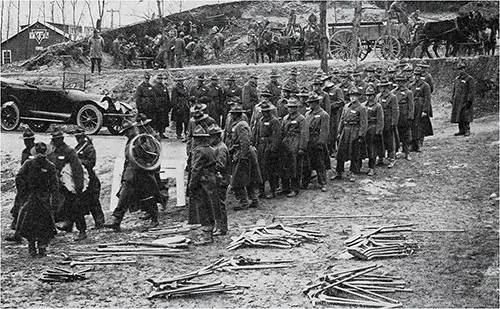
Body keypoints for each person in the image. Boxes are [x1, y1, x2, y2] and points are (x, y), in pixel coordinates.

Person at [104, 120, 161, 231]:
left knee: (148, 197)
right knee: (124, 197)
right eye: (125, 132)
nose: (126, 134)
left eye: (127, 131)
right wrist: (124, 176)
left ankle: (155, 219)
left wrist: (145, 165)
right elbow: (127, 160)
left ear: (132, 129)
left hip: (143, 174)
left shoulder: (141, 140)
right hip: (131, 175)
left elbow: (151, 155)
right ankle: (116, 221)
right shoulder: (130, 141)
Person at [15, 142, 59, 257]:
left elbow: (55, 185)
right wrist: (23, 192)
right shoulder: (28, 164)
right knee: (29, 223)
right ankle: (31, 246)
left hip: (44, 199)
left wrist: (54, 199)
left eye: (42, 154)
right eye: (38, 153)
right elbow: (19, 177)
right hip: (32, 198)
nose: (40, 156)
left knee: (45, 224)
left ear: (46, 154)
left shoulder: (50, 166)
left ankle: (42, 246)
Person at [48, 129, 87, 241]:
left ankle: (82, 231)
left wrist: (78, 186)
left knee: (75, 207)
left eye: (55, 140)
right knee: (55, 207)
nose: (53, 142)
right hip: (57, 184)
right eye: (53, 140)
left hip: (69, 185)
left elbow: (77, 169)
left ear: (61, 139)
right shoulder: (54, 151)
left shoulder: (69, 151)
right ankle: (58, 228)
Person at [5, 129, 37, 242]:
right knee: (19, 206)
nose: (26, 142)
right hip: (24, 185)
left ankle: (20, 234)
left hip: (35, 186)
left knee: (35, 210)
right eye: (25, 140)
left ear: (33, 140)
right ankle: (17, 230)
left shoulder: (37, 151)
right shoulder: (24, 152)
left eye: (29, 140)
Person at [227, 105, 262, 210]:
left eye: (233, 114)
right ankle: (253, 199)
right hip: (243, 153)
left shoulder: (241, 125)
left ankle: (244, 202)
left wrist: (243, 156)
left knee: (237, 181)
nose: (231, 116)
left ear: (235, 115)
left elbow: (244, 141)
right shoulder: (239, 124)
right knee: (249, 179)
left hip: (244, 155)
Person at [188, 125, 217, 245]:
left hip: (202, 182)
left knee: (203, 208)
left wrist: (191, 184)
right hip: (211, 180)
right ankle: (209, 234)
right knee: (210, 207)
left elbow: (196, 169)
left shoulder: (199, 151)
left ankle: (206, 237)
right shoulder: (210, 149)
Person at [334, 87, 368, 182]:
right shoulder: (346, 106)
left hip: (355, 131)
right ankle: (339, 172)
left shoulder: (361, 108)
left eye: (355, 96)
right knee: (340, 152)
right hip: (345, 130)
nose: (352, 98)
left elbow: (363, 123)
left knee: (354, 152)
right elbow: (342, 119)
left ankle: (353, 172)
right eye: (351, 96)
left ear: (358, 97)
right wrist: (339, 131)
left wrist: (361, 135)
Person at [74, 127, 105, 230]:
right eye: (77, 137)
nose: (78, 139)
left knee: (94, 201)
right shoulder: (77, 148)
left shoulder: (88, 148)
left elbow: (91, 163)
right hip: (82, 178)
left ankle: (100, 222)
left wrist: (80, 161)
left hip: (91, 178)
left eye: (79, 137)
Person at [253, 101, 282, 199]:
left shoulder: (274, 121)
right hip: (261, 147)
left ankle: (272, 191)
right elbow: (257, 133)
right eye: (263, 111)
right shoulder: (261, 120)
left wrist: (273, 149)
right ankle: (261, 191)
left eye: (266, 111)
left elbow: (277, 136)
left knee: (271, 171)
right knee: (261, 170)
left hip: (269, 147)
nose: (264, 113)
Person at [280, 98, 307, 197]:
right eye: (289, 107)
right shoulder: (285, 118)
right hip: (285, 144)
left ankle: (295, 189)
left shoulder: (301, 119)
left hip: (295, 143)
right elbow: (282, 131)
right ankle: (285, 188)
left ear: (296, 108)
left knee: (295, 167)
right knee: (284, 166)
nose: (291, 109)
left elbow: (304, 134)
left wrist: (302, 148)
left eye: (293, 107)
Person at [302, 94, 330, 191]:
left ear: (316, 103)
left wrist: (321, 143)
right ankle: (305, 182)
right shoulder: (308, 114)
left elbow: (324, 130)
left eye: (311, 103)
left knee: (320, 162)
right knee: (307, 163)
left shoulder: (323, 115)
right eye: (309, 103)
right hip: (309, 140)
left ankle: (323, 182)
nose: (310, 105)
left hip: (317, 140)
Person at [208, 124, 229, 236]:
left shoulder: (221, 148)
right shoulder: (216, 147)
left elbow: (221, 165)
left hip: (221, 180)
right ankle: (218, 226)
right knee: (216, 204)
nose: (209, 140)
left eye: (210, 137)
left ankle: (222, 228)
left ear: (217, 137)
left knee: (220, 204)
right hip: (217, 179)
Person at [376, 78, 399, 168]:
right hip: (380, 121)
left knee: (390, 140)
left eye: (383, 87)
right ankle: (381, 157)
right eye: (380, 87)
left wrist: (394, 122)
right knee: (380, 139)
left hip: (388, 121)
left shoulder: (392, 97)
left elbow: (395, 111)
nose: (381, 89)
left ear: (386, 87)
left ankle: (392, 158)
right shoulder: (378, 96)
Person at [409, 66, 432, 152]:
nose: (416, 77)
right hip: (413, 108)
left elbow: (427, 99)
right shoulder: (411, 85)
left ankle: (419, 144)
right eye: (415, 75)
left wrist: (425, 110)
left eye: (418, 75)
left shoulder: (425, 85)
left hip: (421, 108)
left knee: (420, 126)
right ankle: (413, 144)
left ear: (420, 75)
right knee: (413, 126)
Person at [363, 86, 384, 176]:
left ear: (374, 96)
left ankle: (372, 168)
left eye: (370, 95)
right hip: (365, 128)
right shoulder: (363, 105)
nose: (368, 97)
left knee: (372, 149)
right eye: (367, 95)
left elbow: (380, 120)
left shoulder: (378, 106)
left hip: (373, 128)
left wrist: (378, 132)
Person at [450, 62, 475, 136]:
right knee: (458, 115)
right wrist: (452, 98)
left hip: (465, 100)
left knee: (465, 115)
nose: (460, 71)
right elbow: (454, 89)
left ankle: (467, 130)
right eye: (458, 70)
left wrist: (469, 100)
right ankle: (461, 130)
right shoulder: (457, 79)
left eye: (461, 69)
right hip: (457, 100)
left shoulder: (469, 79)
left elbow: (471, 91)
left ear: (464, 69)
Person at [393, 74, 414, 160]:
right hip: (397, 116)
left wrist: (410, 117)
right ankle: (395, 152)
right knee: (396, 134)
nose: (399, 83)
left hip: (405, 116)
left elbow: (411, 106)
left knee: (406, 135)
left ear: (404, 82)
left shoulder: (408, 93)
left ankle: (407, 152)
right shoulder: (394, 92)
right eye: (398, 82)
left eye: (401, 82)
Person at [324, 75, 345, 155]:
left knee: (334, 131)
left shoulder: (337, 90)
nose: (324, 83)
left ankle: (333, 149)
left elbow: (341, 101)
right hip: (326, 113)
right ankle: (328, 149)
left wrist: (331, 106)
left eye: (325, 81)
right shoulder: (325, 90)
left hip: (334, 114)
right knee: (327, 130)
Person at [152, 73, 171, 139]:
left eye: (161, 79)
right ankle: (157, 133)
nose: (160, 80)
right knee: (158, 120)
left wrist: (169, 105)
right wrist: (156, 106)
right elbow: (153, 98)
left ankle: (162, 133)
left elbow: (167, 97)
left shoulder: (164, 87)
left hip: (164, 107)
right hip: (158, 107)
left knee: (164, 121)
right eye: (159, 79)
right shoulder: (154, 87)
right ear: (156, 79)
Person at [171, 75, 190, 140]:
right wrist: (176, 106)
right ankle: (178, 134)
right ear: (178, 81)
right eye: (180, 80)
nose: (181, 82)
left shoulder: (185, 87)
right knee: (179, 121)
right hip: (179, 106)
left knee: (186, 120)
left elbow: (187, 96)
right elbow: (173, 98)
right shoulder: (175, 88)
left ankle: (186, 133)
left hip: (185, 105)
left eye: (182, 80)